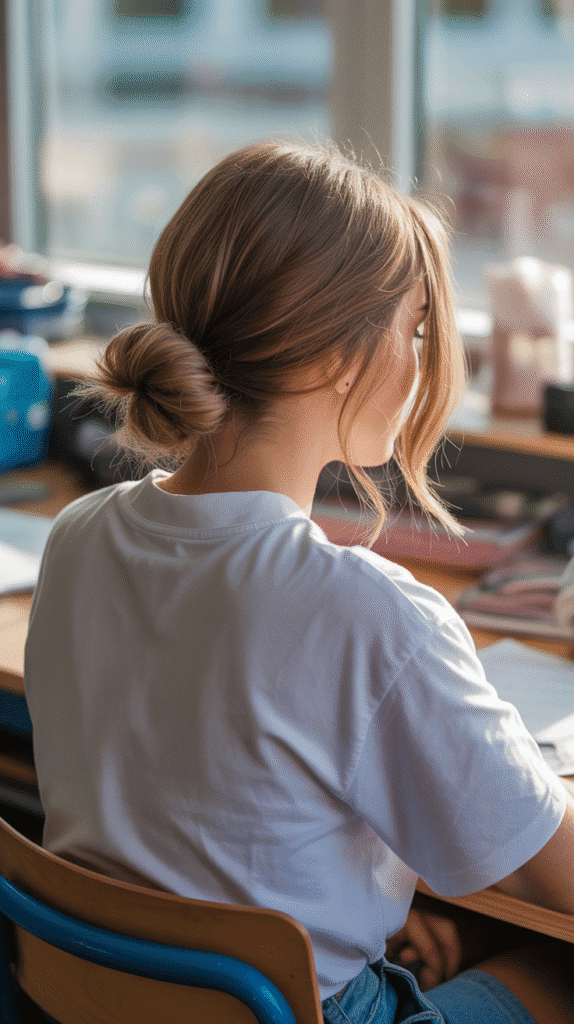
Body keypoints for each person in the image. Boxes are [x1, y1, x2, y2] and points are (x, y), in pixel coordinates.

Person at [25, 140, 574, 1024]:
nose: (423, 361)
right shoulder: (371, 617)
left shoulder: (79, 535)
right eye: (417, 330)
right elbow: (555, 875)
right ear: (334, 357)